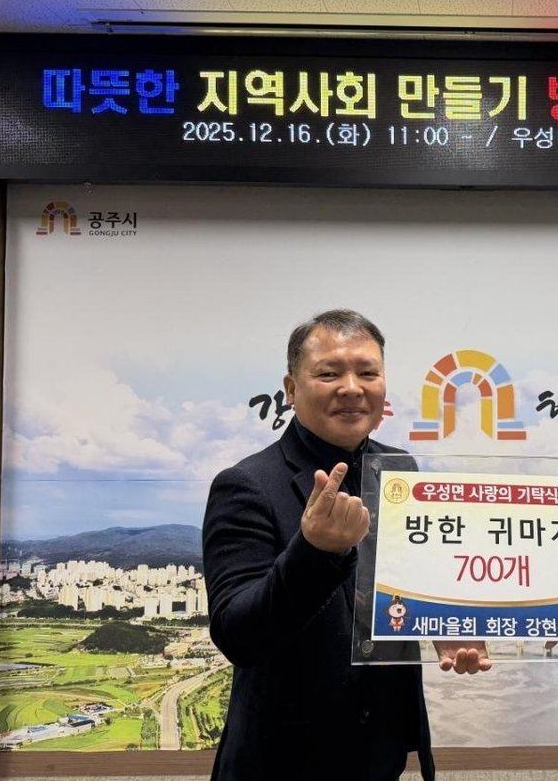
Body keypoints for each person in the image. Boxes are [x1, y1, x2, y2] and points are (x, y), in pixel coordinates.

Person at [202, 308, 487, 781]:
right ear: (291, 389)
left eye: (367, 373)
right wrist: (314, 551)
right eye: (329, 373)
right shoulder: (246, 484)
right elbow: (238, 635)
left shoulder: (400, 469)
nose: (352, 388)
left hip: (381, 754)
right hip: (281, 763)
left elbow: (414, 578)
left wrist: (444, 624)